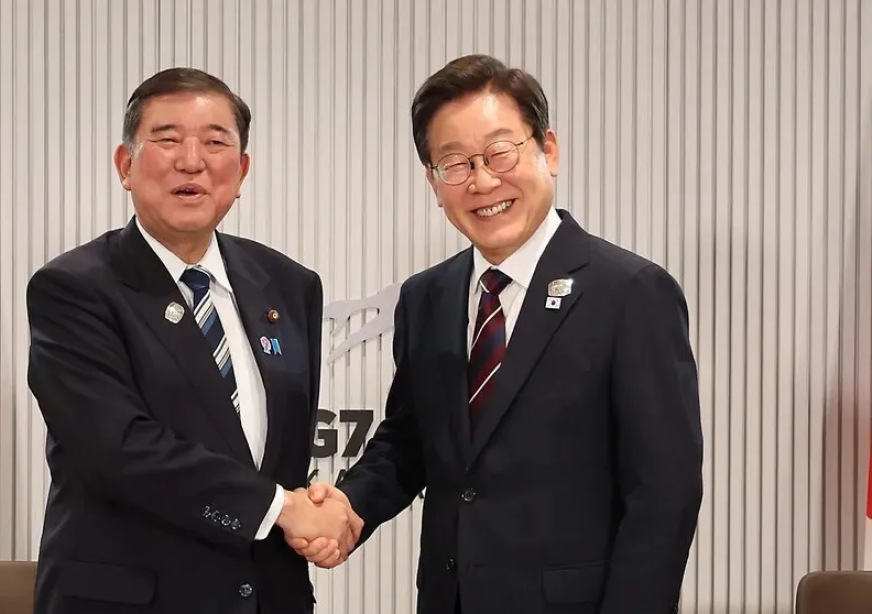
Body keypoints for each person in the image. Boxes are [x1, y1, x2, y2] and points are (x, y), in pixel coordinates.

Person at [291, 54, 704, 614]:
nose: (483, 180)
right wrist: (350, 506)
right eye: (454, 163)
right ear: (433, 181)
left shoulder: (630, 293)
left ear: (548, 150)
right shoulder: (426, 297)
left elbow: (665, 492)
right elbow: (410, 441)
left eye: (500, 152)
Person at [26, 67, 360, 614]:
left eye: (215, 142)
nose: (191, 160)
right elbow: (117, 449)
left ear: (241, 169)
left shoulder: (289, 284)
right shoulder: (74, 289)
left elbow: (279, 454)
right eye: (167, 139)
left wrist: (314, 515)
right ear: (125, 165)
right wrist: (280, 508)